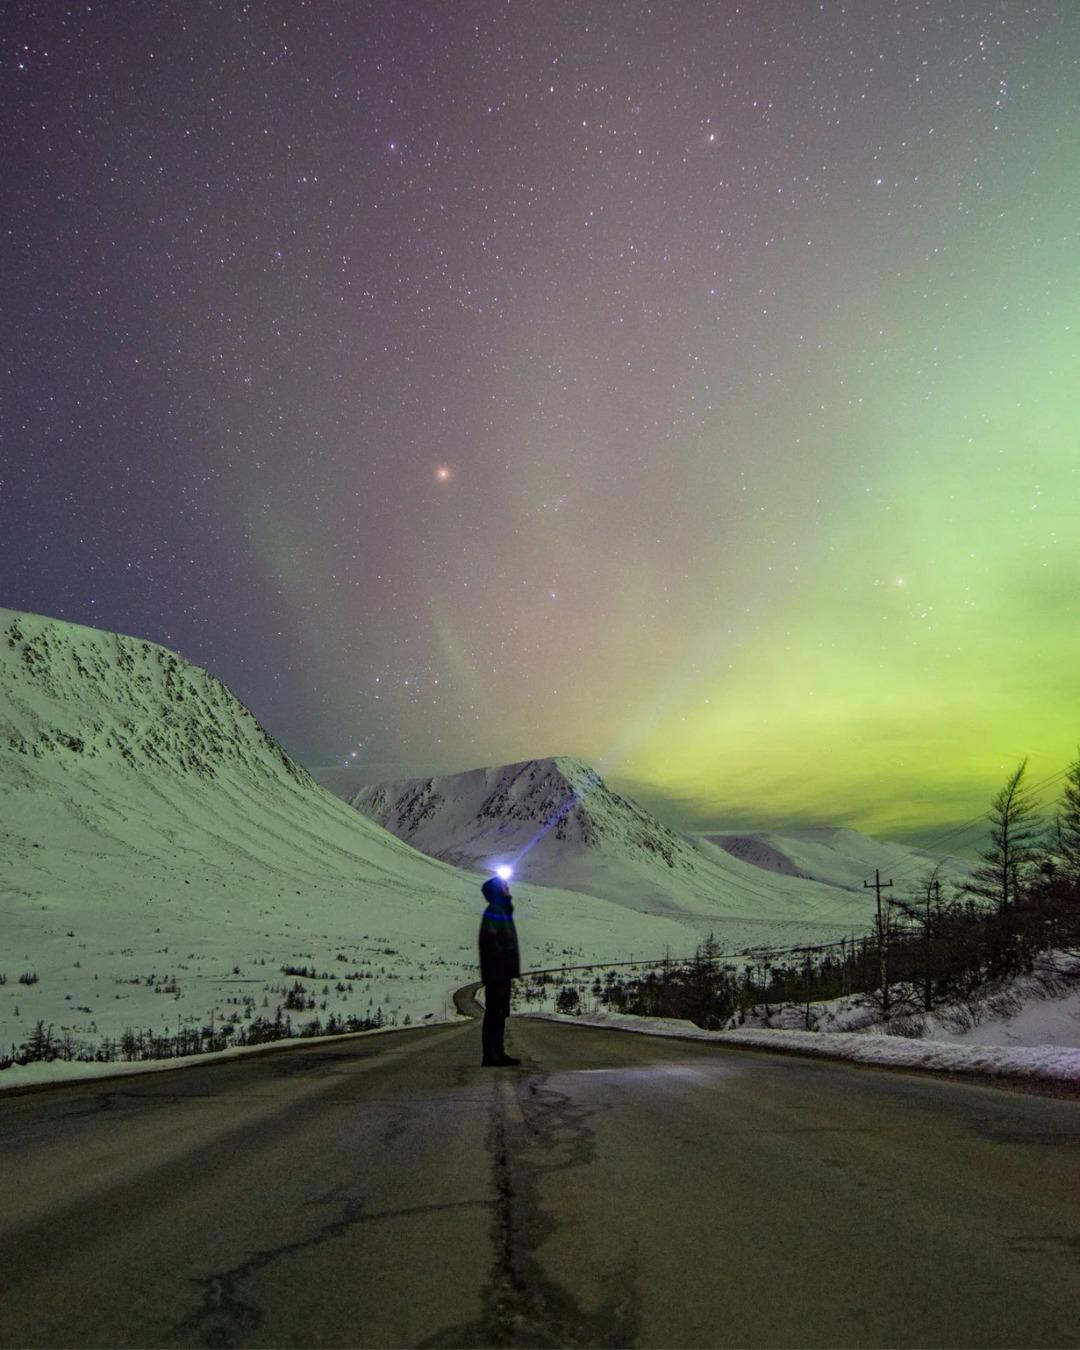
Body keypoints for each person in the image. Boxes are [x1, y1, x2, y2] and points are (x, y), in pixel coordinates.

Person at [478, 873, 521, 1066]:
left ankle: (498, 1052)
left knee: (500, 1012)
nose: (507, 886)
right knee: (495, 1012)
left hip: (500, 970)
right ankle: (490, 1054)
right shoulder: (495, 910)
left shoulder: (501, 910)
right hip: (497, 971)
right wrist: (500, 963)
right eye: (504, 885)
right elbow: (490, 940)